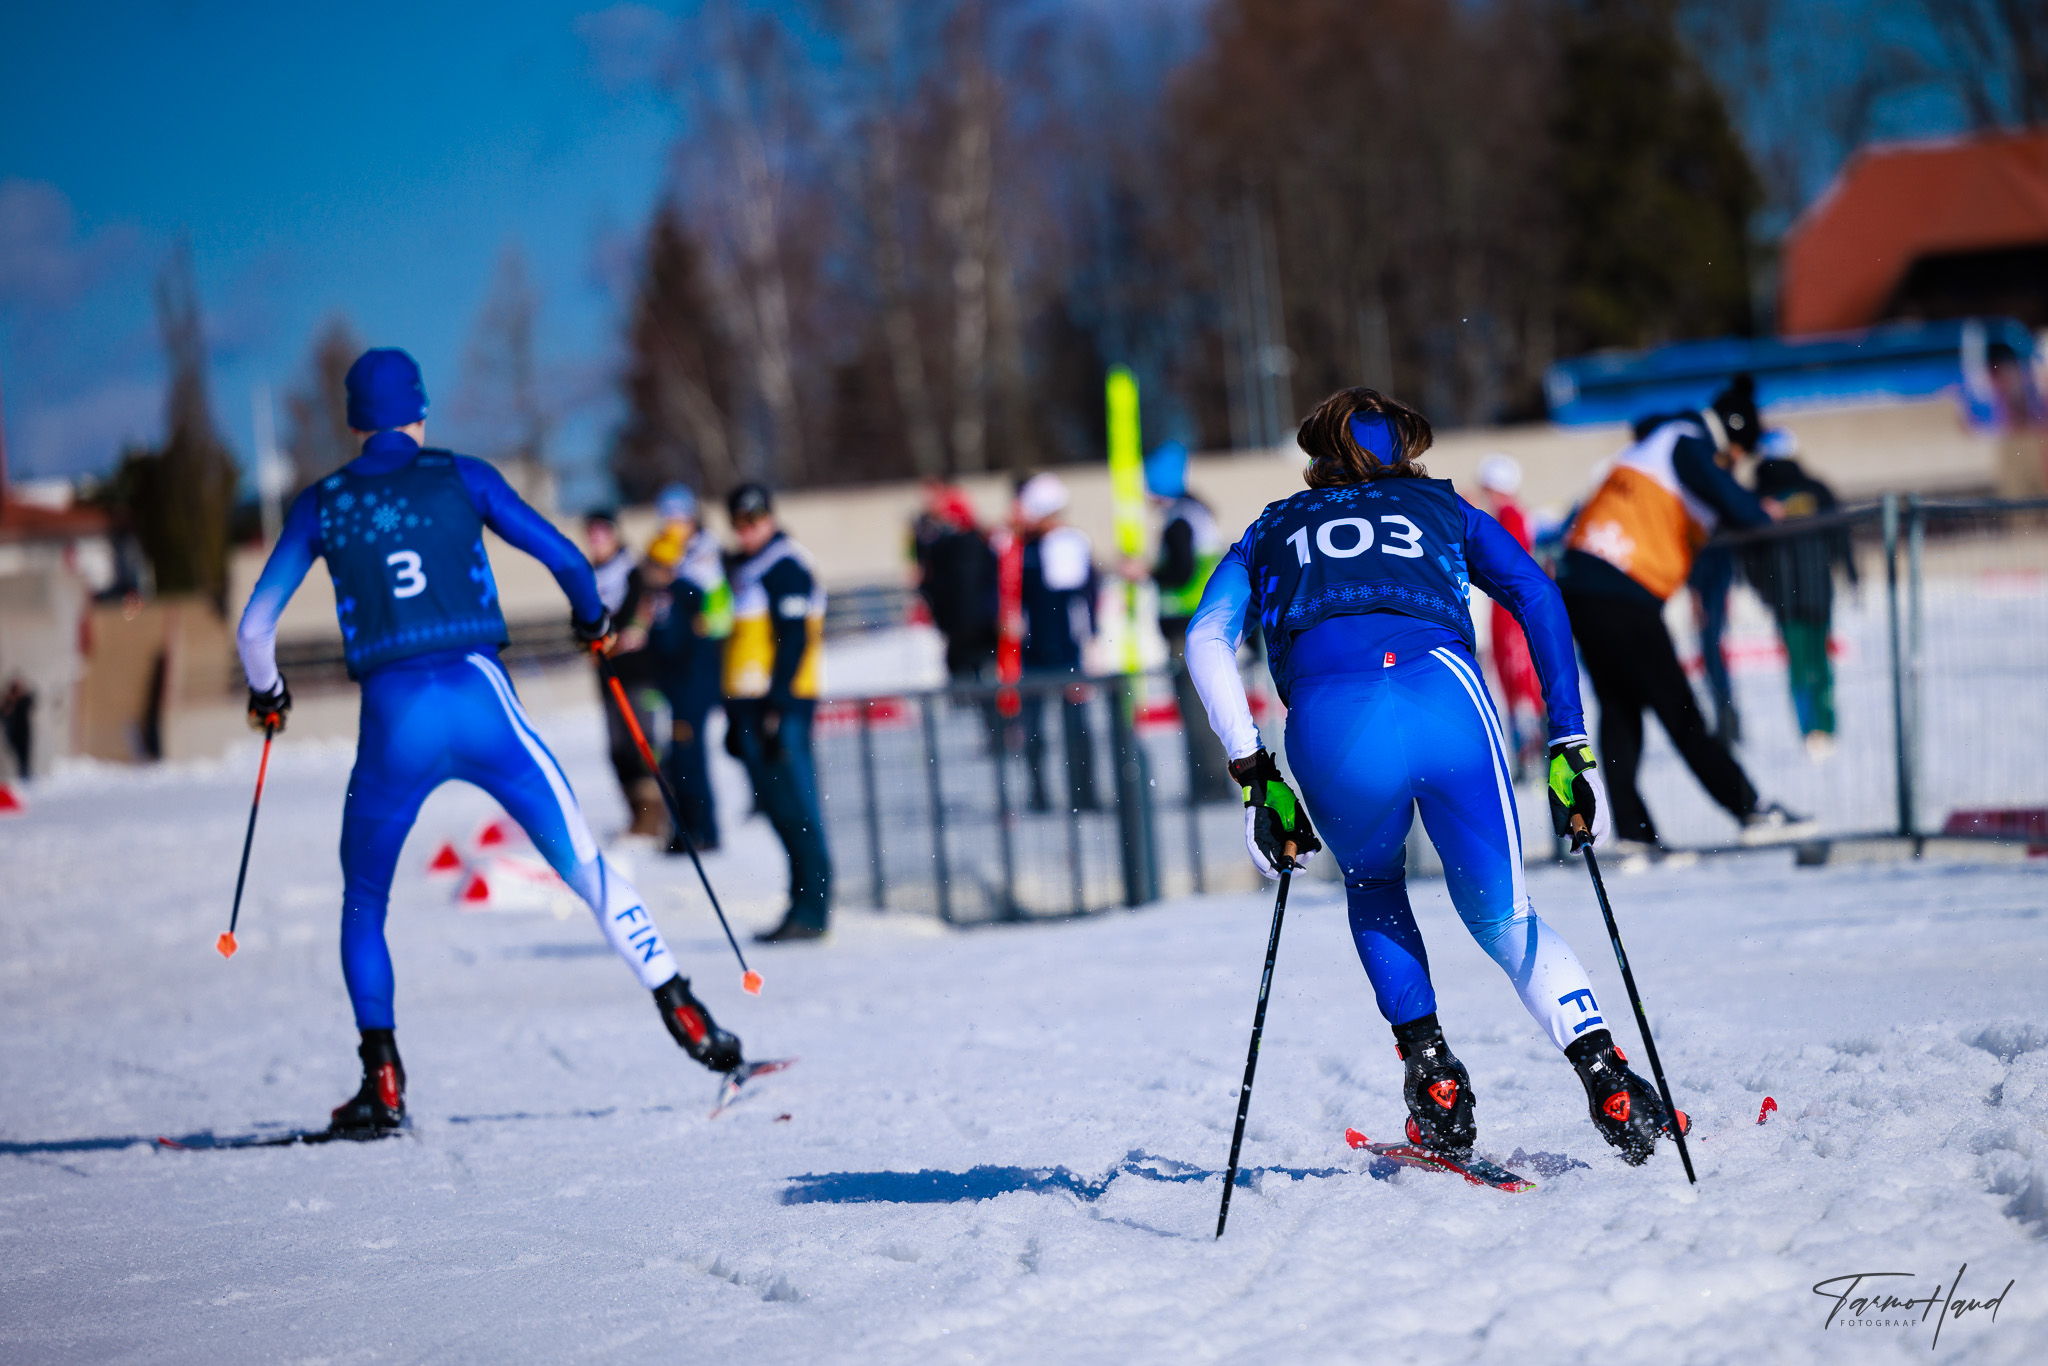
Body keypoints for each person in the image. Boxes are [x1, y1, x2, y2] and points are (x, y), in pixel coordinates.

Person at [234, 349, 745, 1133]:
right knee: (586, 865)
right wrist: (593, 623)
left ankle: (382, 1080)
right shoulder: (461, 475)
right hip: (481, 701)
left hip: (394, 722)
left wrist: (269, 695)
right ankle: (689, 1016)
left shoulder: (322, 503)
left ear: (354, 421)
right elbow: (568, 559)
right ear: (419, 411)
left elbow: (254, 628)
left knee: (364, 902)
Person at [1186, 386, 1686, 1166]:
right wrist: (1567, 738)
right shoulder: (1441, 507)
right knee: (1506, 917)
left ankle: (1433, 1074)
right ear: (1407, 453)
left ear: (1319, 460)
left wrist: (1255, 772)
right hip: (1446, 699)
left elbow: (1205, 640)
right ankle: (1605, 1073)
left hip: (1331, 719)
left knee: (1374, 886)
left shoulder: (1270, 528)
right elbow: (1535, 592)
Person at [1559, 374, 1807, 854]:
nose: (1736, 464)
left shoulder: (1659, 442)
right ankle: (1749, 809)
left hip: (1584, 584)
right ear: (1733, 437)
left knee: (1620, 708)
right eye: (1740, 453)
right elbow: (1734, 504)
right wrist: (1764, 514)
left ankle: (1633, 834)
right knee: (1680, 711)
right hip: (1620, 588)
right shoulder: (1687, 441)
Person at [722, 483, 833, 943]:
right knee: (778, 809)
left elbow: (793, 640)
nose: (748, 530)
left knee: (796, 808)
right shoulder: (746, 569)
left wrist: (778, 706)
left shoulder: (785, 565)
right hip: (752, 705)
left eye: (756, 519)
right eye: (740, 522)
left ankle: (812, 909)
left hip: (779, 707)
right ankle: (799, 904)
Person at [1744, 428, 1856, 760]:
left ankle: (1810, 732)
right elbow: (1840, 535)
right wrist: (1850, 573)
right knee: (1820, 661)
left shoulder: (1756, 496)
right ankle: (1827, 726)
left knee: (1797, 665)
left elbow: (1748, 553)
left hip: (1782, 594)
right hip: (1818, 588)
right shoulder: (1816, 489)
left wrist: (1759, 586)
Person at [1143, 442, 1235, 801]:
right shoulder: (1194, 513)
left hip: (1187, 625)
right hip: (1201, 621)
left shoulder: (1180, 519)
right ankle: (1210, 781)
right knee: (1203, 704)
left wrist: (1148, 572)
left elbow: (1181, 572)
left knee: (1196, 708)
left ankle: (1209, 783)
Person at [1014, 472, 1100, 813]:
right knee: (1034, 731)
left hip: (1065, 652)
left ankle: (1084, 795)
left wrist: (1088, 643)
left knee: (1075, 728)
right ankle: (1039, 795)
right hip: (1034, 651)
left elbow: (1078, 601)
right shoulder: (1024, 548)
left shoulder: (1067, 545)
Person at [652, 484, 726, 852]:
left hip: (695, 670)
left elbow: (710, 610)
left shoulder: (703, 555)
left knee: (688, 751)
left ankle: (701, 830)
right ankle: (687, 827)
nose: (671, 526)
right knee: (678, 753)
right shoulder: (666, 558)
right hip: (675, 674)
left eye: (677, 518)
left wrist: (672, 575)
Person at [1471, 455, 1546, 778]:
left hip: (1510, 611)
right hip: (1504, 609)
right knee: (1511, 683)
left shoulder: (1510, 515)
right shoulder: (1506, 514)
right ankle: (1526, 755)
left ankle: (1531, 756)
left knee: (1521, 683)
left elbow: (1502, 561)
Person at [584, 510, 655, 830]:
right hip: (607, 673)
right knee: (617, 748)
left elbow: (637, 616)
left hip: (638, 672)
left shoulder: (633, 571)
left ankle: (653, 813)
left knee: (643, 741)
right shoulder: (587, 576)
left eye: (602, 534)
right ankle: (636, 813)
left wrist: (611, 635)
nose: (596, 542)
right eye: (591, 535)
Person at [910, 480, 1000, 685]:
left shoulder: (955, 546)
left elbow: (938, 585)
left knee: (971, 676)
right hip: (971, 628)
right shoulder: (973, 543)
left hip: (970, 629)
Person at [0, 676, 33, 781]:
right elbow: (3, 714)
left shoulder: (24, 699)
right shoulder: (9, 700)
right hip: (12, 733)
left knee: (24, 757)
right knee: (15, 756)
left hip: (24, 732)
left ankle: (24, 775)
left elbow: (30, 701)